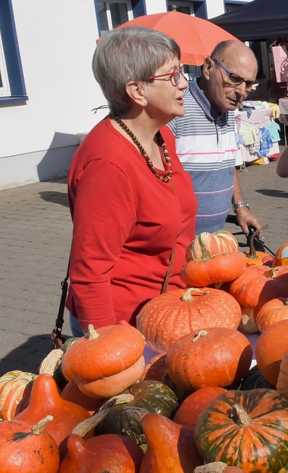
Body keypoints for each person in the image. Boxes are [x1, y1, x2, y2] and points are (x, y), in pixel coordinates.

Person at [66, 27, 197, 332]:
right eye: (173, 75)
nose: (185, 83)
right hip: (126, 325)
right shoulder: (108, 164)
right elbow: (89, 274)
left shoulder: (161, 135)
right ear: (137, 91)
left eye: (183, 71)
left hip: (169, 311)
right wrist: (110, 354)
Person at [168, 40, 262, 238]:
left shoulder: (226, 108)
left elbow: (228, 166)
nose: (241, 92)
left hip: (212, 241)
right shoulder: (176, 110)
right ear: (209, 68)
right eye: (234, 79)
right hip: (177, 243)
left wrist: (240, 206)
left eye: (249, 84)